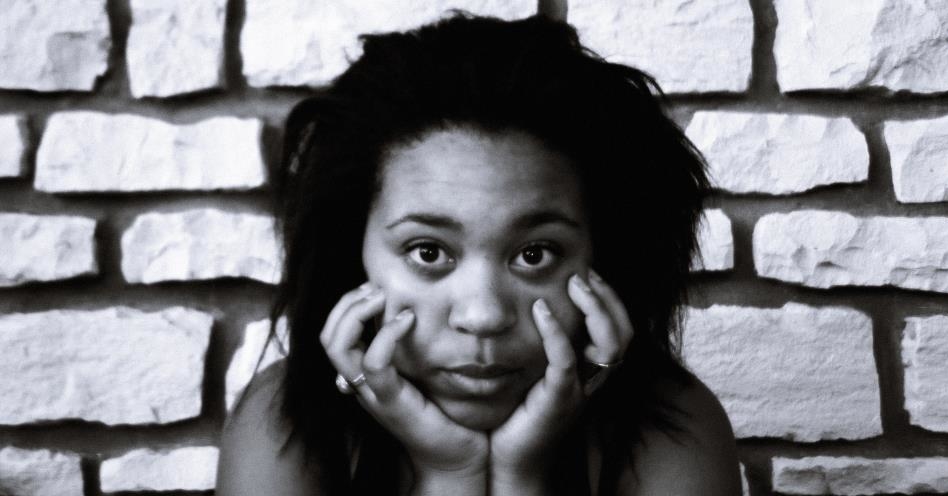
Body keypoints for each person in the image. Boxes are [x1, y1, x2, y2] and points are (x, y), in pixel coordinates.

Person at [217, 12, 741, 496]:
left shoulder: (673, 424)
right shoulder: (283, 422)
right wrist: (450, 474)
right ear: (354, 252)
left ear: (601, 257)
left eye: (535, 255)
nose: (484, 316)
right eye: (428, 252)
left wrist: (520, 477)